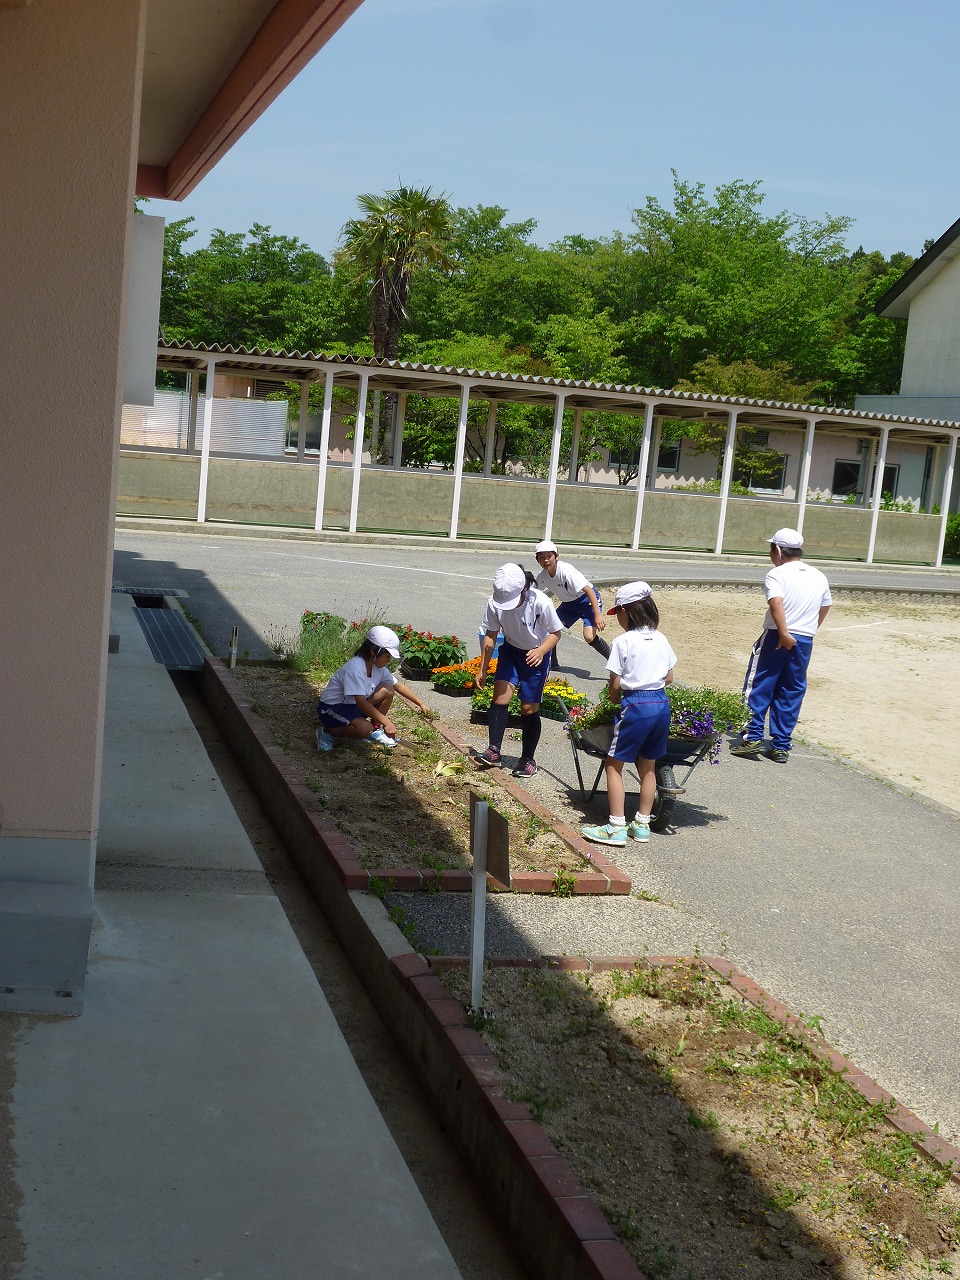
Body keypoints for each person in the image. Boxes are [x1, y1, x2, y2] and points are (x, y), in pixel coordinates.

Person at [581, 582, 677, 849]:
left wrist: (614, 700)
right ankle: (642, 824)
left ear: (627, 611)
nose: (618, 619)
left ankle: (616, 826)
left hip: (636, 705)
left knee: (613, 765)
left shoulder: (623, 642)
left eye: (618, 613)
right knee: (648, 766)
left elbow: (615, 684)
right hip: (661, 703)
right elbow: (669, 677)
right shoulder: (661, 638)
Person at [730, 528, 832, 764]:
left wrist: (784, 633)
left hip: (778, 635)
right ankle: (780, 745)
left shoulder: (777, 574)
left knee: (760, 683)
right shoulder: (818, 575)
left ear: (777, 549)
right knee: (792, 689)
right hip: (804, 638)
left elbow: (776, 603)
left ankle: (753, 736)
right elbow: (825, 605)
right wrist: (810, 628)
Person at [475, 563, 562, 778]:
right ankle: (494, 750)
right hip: (511, 652)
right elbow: (490, 636)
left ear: (524, 589)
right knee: (500, 698)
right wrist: (482, 668)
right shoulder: (494, 603)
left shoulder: (540, 601)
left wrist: (541, 651)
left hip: (536, 656)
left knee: (528, 708)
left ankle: (527, 759)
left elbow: (555, 633)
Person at [315, 625, 432, 752]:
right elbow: (361, 702)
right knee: (364, 729)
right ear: (373, 651)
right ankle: (327, 733)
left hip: (353, 706)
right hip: (332, 708)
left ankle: (375, 728)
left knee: (388, 689)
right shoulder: (355, 669)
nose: (388, 661)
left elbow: (397, 686)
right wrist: (387, 722)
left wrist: (421, 704)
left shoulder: (378, 668)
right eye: (387, 656)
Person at [534, 540, 610, 663]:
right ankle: (553, 662)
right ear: (537, 560)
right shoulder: (542, 576)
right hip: (569, 604)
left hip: (586, 601)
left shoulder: (566, 571)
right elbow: (533, 594)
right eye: (541, 557)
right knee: (550, 627)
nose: (546, 560)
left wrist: (597, 615)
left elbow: (589, 591)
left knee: (589, 637)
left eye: (549, 556)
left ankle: (613, 659)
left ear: (556, 556)